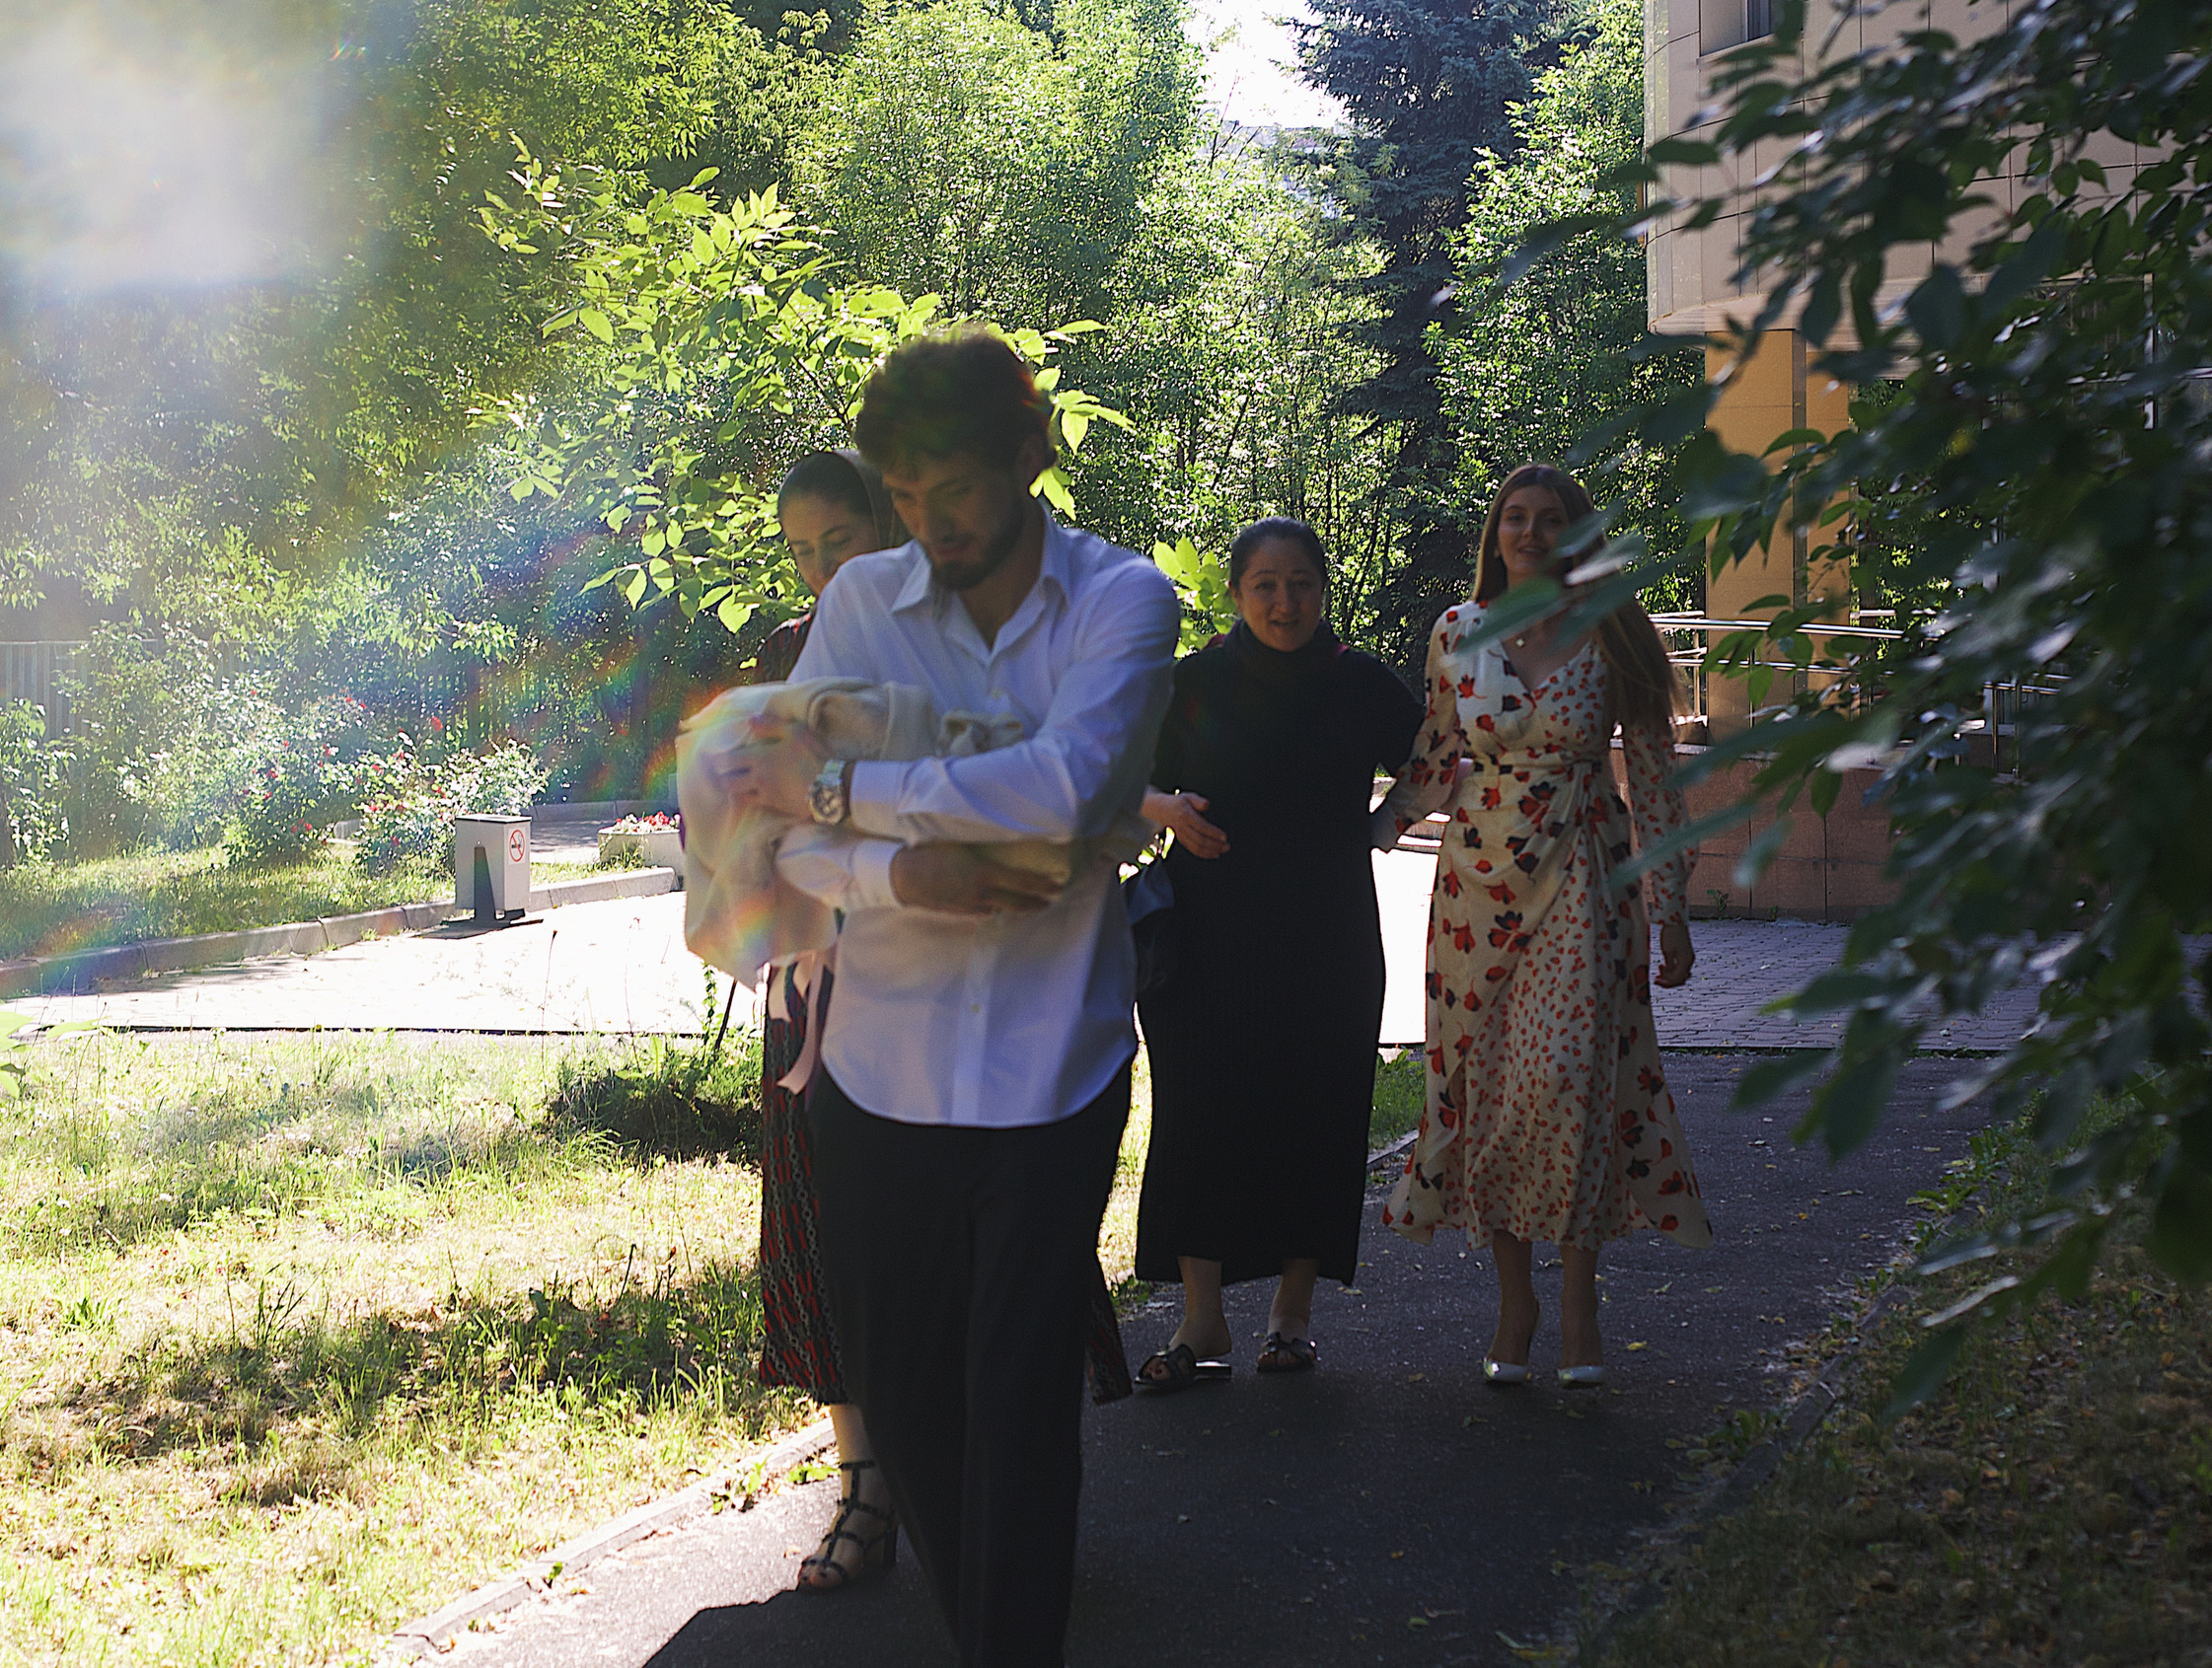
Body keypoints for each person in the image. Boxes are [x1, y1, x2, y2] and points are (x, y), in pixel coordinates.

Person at [723, 328, 1177, 1666]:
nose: (933, 529)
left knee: (1022, 1399)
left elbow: (1072, 792)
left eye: (958, 493)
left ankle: (1008, 1645)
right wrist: (909, 874)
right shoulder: (865, 604)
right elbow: (773, 840)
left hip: (1056, 1066)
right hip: (878, 1074)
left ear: (1031, 456)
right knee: (913, 1405)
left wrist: (855, 794)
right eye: (905, 500)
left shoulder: (1122, 600)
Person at [1369, 464, 1713, 1388]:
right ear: (1496, 532)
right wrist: (1349, 833)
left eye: (1548, 518)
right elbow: (1434, 761)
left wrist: (1672, 912)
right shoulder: (1455, 631)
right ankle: (1514, 1294)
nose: (1528, 531)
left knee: (1566, 1079)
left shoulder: (1614, 633)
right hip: (1473, 891)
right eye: (1513, 518)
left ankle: (1579, 1298)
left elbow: (1655, 780)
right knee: (1486, 1088)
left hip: (1584, 879)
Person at [1131, 517, 1422, 1390]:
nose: (1284, 601)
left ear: (1323, 588)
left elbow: (1444, 754)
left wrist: (1390, 820)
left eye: (1300, 583)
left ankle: (1291, 1320)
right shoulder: (1195, 680)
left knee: (1319, 1112)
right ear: (1235, 593)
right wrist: (1167, 811)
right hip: (1208, 935)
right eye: (1265, 584)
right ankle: (1202, 1321)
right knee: (1197, 1115)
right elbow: (1118, 773)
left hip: (1327, 937)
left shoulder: (1360, 681)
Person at [753, 450, 898, 1591]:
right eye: (799, 551)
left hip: (925, 983)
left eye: (834, 544)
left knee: (946, 1232)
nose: (815, 570)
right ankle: (861, 1483)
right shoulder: (787, 662)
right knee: (822, 1228)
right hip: (809, 991)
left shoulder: (940, 645)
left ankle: (966, 1474)